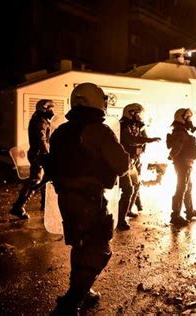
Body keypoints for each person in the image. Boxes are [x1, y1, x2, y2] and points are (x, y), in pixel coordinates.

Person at [48, 83, 129, 313]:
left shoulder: (61, 130)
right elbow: (121, 166)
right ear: (96, 102)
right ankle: (73, 300)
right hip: (89, 200)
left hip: (65, 197)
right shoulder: (99, 131)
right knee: (98, 248)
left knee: (80, 244)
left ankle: (82, 290)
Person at [117, 103, 160, 230]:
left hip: (133, 161)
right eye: (138, 113)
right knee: (128, 189)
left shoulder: (136, 125)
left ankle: (128, 210)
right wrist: (149, 140)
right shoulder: (123, 125)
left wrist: (144, 135)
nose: (140, 116)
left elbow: (140, 138)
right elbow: (130, 140)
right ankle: (120, 220)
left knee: (135, 185)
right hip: (126, 162)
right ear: (132, 113)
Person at [10, 99, 55, 220]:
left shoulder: (41, 119)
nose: (53, 111)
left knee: (45, 178)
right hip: (38, 155)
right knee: (36, 180)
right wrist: (47, 153)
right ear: (45, 108)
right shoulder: (40, 121)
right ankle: (19, 206)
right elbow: (41, 140)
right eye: (51, 108)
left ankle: (44, 204)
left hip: (38, 154)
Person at [167, 108, 196, 226]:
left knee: (188, 187)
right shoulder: (181, 133)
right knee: (181, 188)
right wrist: (173, 156)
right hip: (183, 164)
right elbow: (176, 149)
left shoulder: (181, 131)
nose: (190, 120)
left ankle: (189, 211)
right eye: (188, 117)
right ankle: (175, 215)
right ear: (182, 118)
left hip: (186, 163)